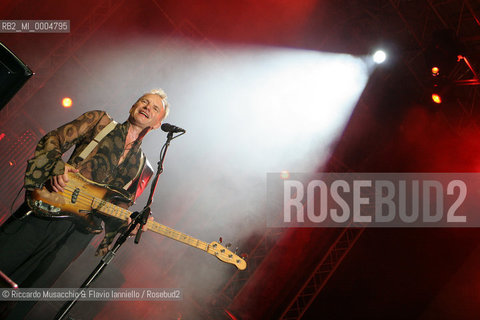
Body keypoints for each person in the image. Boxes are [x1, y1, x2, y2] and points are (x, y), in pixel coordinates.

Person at [0, 89, 169, 318]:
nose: (147, 107)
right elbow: (53, 139)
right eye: (144, 101)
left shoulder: (143, 167)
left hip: (76, 236)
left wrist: (131, 225)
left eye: (155, 108)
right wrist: (58, 167)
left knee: (27, 295)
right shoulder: (99, 121)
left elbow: (118, 210)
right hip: (49, 208)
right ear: (133, 106)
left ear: (158, 123)